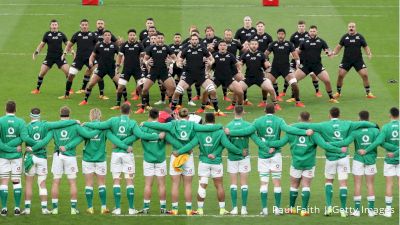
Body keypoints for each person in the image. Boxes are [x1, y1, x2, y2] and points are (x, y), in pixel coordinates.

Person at [227, 104, 313, 216]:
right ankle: (277, 209)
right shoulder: (279, 120)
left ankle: (265, 210)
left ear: (264, 110)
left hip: (263, 156)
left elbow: (246, 131)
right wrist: (304, 132)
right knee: (276, 182)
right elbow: (288, 129)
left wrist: (231, 132)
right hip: (276, 154)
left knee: (264, 182)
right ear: (275, 110)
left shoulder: (258, 121)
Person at [295, 107, 377, 217]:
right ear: (340, 115)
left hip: (331, 158)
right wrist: (374, 125)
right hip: (343, 158)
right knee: (343, 183)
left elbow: (305, 125)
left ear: (329, 115)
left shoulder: (323, 125)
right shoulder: (347, 123)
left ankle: (329, 208)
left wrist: (289, 126)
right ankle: (343, 210)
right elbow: (362, 124)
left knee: (329, 181)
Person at [83, 104, 163, 215]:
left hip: (116, 154)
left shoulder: (113, 120)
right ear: (130, 111)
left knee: (116, 180)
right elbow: (140, 135)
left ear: (120, 110)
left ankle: (117, 208)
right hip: (127, 154)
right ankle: (131, 209)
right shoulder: (133, 123)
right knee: (129, 180)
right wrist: (156, 136)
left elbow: (100, 126)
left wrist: (86, 123)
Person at [141, 108, 222, 215]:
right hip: (188, 156)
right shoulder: (193, 125)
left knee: (175, 184)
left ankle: (174, 209)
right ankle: (189, 210)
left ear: (178, 116)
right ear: (188, 117)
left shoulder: (173, 124)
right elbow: (205, 128)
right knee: (187, 185)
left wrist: (145, 123)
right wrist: (220, 126)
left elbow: (158, 126)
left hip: (176, 156)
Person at [268, 111, 345, 217]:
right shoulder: (314, 133)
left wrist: (267, 143)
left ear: (299, 118)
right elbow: (325, 145)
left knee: (294, 185)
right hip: (309, 163)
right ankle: (304, 210)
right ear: (310, 119)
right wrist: (339, 149)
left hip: (296, 163)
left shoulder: (291, 132)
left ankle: (291, 208)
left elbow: (280, 143)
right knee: (306, 186)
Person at [173, 113, 244, 215]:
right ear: (214, 120)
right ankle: (222, 209)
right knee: (219, 185)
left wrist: (179, 152)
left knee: (202, 185)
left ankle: (200, 210)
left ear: (205, 120)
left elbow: (190, 145)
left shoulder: (200, 132)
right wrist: (240, 152)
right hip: (216, 163)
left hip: (204, 162)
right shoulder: (220, 132)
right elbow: (228, 145)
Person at [21, 108, 76, 215]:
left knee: (28, 184)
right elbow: (59, 124)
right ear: (39, 116)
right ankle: (44, 209)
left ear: (30, 116)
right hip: (42, 157)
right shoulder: (45, 125)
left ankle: (27, 210)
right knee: (42, 183)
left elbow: (25, 138)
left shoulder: (27, 127)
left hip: (30, 157)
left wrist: (33, 146)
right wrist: (74, 121)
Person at [78, 108, 133, 214]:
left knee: (89, 184)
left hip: (87, 159)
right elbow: (114, 139)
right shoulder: (105, 129)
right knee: (101, 183)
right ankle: (103, 207)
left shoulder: (86, 127)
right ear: (100, 116)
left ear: (91, 116)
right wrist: (125, 146)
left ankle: (90, 208)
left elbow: (79, 139)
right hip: (100, 159)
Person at [49, 106, 99, 215]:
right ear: (69, 115)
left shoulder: (55, 126)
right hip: (70, 156)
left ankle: (54, 209)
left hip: (57, 155)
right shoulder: (75, 125)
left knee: (56, 182)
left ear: (60, 115)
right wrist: (99, 128)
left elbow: (47, 138)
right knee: (72, 182)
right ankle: (73, 209)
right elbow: (88, 135)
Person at [330, 110, 380, 217]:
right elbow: (380, 142)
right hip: (371, 160)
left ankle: (357, 211)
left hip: (358, 159)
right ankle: (371, 211)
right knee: (370, 184)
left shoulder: (355, 131)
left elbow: (345, 142)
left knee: (357, 184)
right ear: (368, 118)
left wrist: (331, 143)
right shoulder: (375, 131)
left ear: (359, 118)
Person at [225, 106, 268, 215]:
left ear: (233, 111)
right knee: (244, 184)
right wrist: (267, 149)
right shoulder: (248, 126)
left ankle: (234, 208)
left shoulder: (228, 126)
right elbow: (256, 140)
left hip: (232, 157)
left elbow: (227, 144)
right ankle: (244, 208)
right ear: (243, 112)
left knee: (233, 184)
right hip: (244, 158)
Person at [139, 108, 182, 214]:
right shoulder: (162, 128)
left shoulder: (143, 127)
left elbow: (140, 138)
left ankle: (145, 208)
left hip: (148, 159)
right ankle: (163, 208)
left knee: (148, 185)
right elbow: (169, 141)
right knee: (161, 185)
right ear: (158, 116)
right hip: (160, 160)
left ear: (149, 115)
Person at [172, 34, 225, 116]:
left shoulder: (202, 49)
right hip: (188, 75)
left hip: (201, 75)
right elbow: (179, 60)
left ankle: (217, 110)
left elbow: (212, 59)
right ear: (190, 40)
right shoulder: (186, 50)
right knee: (176, 92)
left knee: (213, 91)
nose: (194, 41)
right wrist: (179, 63)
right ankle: (172, 111)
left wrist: (210, 62)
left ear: (198, 40)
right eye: (193, 39)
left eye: (196, 39)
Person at [363, 107, 399, 218]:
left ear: (389, 115)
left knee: (389, 184)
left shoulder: (385, 127)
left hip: (389, 159)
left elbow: (380, 142)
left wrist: (392, 150)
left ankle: (388, 210)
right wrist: (397, 150)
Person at [292, 25, 338, 104]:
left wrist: (330, 53)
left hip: (317, 66)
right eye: (311, 31)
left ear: (316, 32)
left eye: (314, 31)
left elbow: (328, 50)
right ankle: (294, 97)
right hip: (305, 65)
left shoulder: (321, 41)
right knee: (293, 80)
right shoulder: (304, 42)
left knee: (327, 81)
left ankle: (331, 97)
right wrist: (294, 56)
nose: (312, 33)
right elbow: (297, 52)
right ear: (308, 32)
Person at [332, 22, 375, 99]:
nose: (351, 28)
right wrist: (334, 53)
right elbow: (339, 47)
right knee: (340, 75)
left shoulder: (360, 37)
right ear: (348, 28)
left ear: (355, 28)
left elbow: (366, 46)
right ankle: (338, 92)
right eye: (350, 27)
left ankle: (368, 93)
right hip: (346, 60)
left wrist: (369, 53)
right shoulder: (344, 37)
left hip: (358, 60)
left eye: (353, 27)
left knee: (365, 75)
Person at [136, 33, 177, 114]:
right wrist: (147, 62)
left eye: (162, 38)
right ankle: (143, 107)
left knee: (172, 88)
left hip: (164, 72)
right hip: (153, 72)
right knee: (144, 89)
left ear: (164, 39)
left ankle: (172, 108)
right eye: (159, 38)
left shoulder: (167, 48)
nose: (160, 39)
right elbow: (144, 59)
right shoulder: (151, 48)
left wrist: (171, 62)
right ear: (156, 39)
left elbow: (175, 58)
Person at [280, 20, 321, 98]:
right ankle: (284, 91)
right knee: (289, 74)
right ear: (297, 27)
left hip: (307, 60)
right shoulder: (293, 36)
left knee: (313, 75)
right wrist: (291, 54)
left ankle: (317, 91)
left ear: (305, 27)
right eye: (300, 26)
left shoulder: (309, 35)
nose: (301, 28)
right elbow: (290, 47)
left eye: (302, 26)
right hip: (295, 59)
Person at [58, 19, 97, 99]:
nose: (84, 26)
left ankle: (96, 93)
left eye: (86, 25)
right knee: (70, 76)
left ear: (88, 25)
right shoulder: (77, 35)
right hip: (78, 59)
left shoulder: (92, 35)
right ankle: (66, 95)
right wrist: (64, 53)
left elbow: (99, 46)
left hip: (90, 59)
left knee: (97, 74)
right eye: (83, 25)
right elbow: (69, 45)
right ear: (80, 25)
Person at [79, 30, 119, 106]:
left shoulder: (114, 46)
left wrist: (118, 65)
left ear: (111, 36)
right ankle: (85, 100)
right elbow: (92, 55)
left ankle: (123, 101)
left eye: (109, 35)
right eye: (106, 35)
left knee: (120, 84)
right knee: (91, 84)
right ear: (103, 36)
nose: (107, 36)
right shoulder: (98, 45)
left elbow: (120, 55)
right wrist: (90, 61)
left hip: (111, 69)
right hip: (101, 69)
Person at [265, 28, 303, 107]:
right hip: (275, 68)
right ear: (277, 35)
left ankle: (298, 101)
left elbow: (295, 55)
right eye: (279, 34)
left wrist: (298, 63)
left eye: (282, 34)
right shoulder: (273, 44)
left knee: (294, 84)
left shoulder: (289, 44)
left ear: (284, 35)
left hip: (286, 68)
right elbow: (265, 54)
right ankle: (264, 101)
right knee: (265, 84)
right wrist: (265, 61)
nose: (280, 36)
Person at [0, 101, 25, 215]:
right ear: (16, 109)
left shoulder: (0, 121)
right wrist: (14, 149)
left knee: (4, 181)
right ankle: (17, 208)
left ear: (6, 108)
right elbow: (22, 137)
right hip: (16, 156)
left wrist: (7, 147)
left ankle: (4, 208)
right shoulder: (21, 122)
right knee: (16, 181)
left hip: (3, 156)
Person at [238, 39, 279, 110]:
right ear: (249, 45)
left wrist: (268, 65)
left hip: (260, 77)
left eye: (255, 44)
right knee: (238, 90)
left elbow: (266, 65)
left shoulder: (261, 54)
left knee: (271, 89)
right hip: (248, 78)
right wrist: (239, 70)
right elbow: (240, 64)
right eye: (252, 44)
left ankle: (275, 104)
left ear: (258, 45)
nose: (254, 46)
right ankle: (240, 107)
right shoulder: (245, 54)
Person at [31, 19, 69, 94]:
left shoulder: (61, 34)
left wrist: (73, 51)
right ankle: (37, 89)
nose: (54, 26)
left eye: (55, 25)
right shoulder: (47, 34)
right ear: (50, 26)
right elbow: (42, 44)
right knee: (42, 73)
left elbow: (68, 44)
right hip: (49, 57)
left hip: (60, 57)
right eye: (53, 25)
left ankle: (69, 89)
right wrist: (36, 52)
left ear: (58, 26)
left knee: (68, 72)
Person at [113, 29, 144, 110]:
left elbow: (143, 56)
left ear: (135, 36)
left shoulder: (139, 45)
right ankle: (118, 104)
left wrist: (143, 63)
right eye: (131, 35)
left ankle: (144, 104)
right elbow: (119, 56)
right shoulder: (124, 45)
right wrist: (117, 66)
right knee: (120, 87)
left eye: (133, 35)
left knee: (141, 87)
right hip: (126, 70)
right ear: (128, 36)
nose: (132, 36)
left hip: (137, 70)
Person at [211, 41, 243, 109]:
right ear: (218, 47)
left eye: (224, 45)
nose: (222, 46)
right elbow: (209, 65)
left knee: (240, 92)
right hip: (217, 78)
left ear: (226, 47)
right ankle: (204, 106)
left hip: (228, 78)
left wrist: (239, 71)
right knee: (207, 91)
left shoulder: (230, 55)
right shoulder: (214, 55)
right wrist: (207, 73)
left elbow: (238, 64)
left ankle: (239, 108)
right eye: (221, 45)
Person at [169, 33, 195, 106]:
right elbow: (168, 56)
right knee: (170, 84)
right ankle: (170, 101)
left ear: (181, 38)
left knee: (185, 83)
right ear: (173, 38)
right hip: (173, 67)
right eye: (176, 37)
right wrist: (170, 62)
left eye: (178, 37)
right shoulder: (170, 46)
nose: (177, 39)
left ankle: (188, 101)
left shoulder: (184, 46)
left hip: (182, 68)